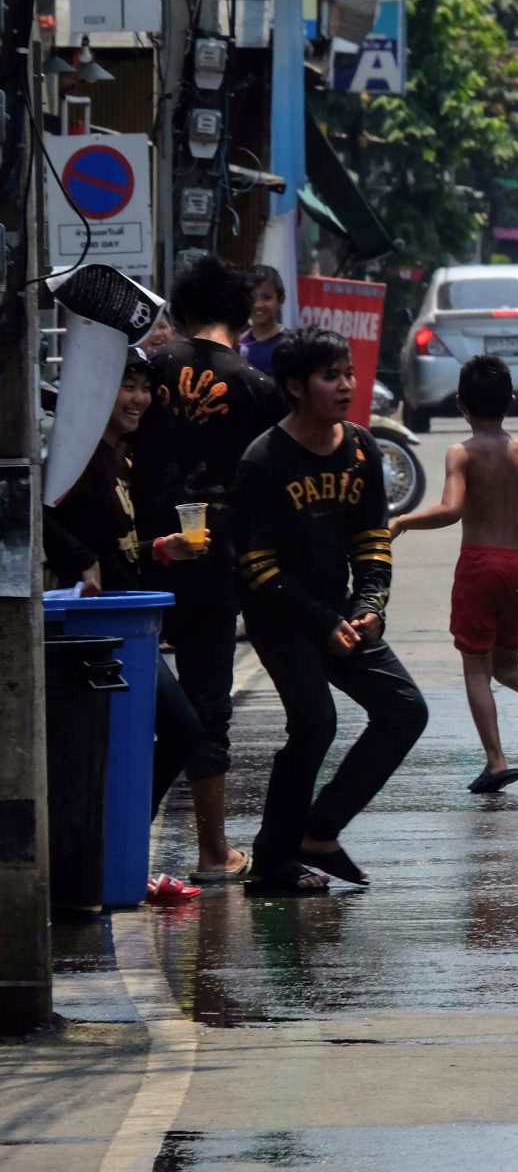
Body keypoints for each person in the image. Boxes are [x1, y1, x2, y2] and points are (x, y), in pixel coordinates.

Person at [231, 328, 428, 895]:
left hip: (340, 610)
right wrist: (324, 623)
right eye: (330, 376)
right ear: (296, 386)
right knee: (315, 723)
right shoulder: (263, 461)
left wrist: (370, 607)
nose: (346, 386)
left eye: (348, 373)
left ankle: (319, 831)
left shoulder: (363, 449)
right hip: (281, 614)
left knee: (404, 709)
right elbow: (258, 566)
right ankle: (271, 863)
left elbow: (372, 540)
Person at [44, 348, 245, 880]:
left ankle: (115, 849)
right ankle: (113, 845)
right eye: (124, 387)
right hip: (100, 627)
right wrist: (80, 561)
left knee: (150, 739)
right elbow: (37, 514)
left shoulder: (120, 457)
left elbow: (115, 545)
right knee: (182, 730)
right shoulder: (79, 456)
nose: (137, 399)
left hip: (130, 622)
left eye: (142, 388)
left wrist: (160, 548)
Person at [131, 255, 285, 879]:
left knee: (125, 696)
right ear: (243, 315)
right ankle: (213, 851)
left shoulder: (147, 371)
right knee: (207, 702)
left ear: (183, 311)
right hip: (217, 564)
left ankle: (114, 839)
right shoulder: (257, 387)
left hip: (137, 554)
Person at [391, 355, 518, 792]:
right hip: (517, 568)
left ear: (460, 405)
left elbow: (451, 511)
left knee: (475, 667)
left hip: (480, 565)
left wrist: (402, 521)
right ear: (511, 401)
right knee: (506, 663)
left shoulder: (461, 452)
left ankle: (496, 761)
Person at [239, 265, 287, 375]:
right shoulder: (237, 343)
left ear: (280, 300)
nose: (258, 305)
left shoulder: (288, 345)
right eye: (252, 298)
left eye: (267, 298)